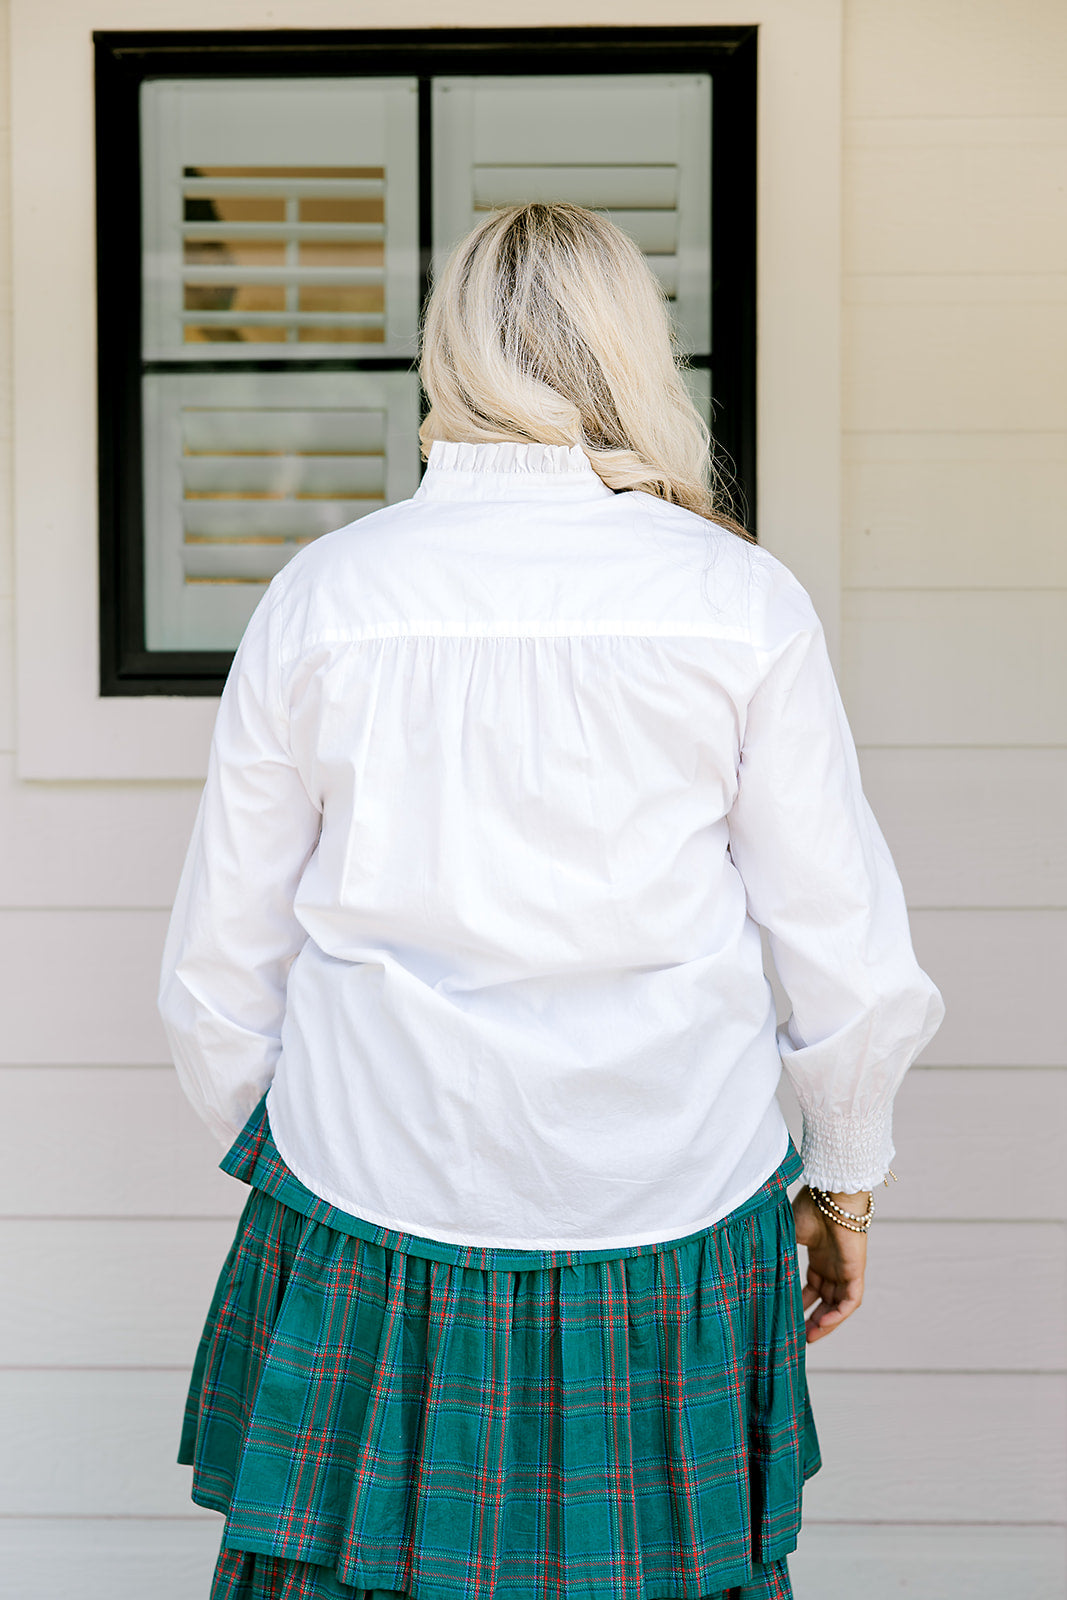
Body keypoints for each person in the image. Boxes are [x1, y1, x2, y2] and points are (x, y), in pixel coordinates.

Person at [159, 202, 945, 1600]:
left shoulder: (325, 596)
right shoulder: (738, 601)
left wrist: (316, 1171)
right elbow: (841, 950)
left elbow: (222, 971)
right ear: (631, 360)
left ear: (446, 353)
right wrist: (847, 1179)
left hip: (363, 1210)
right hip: (674, 1205)